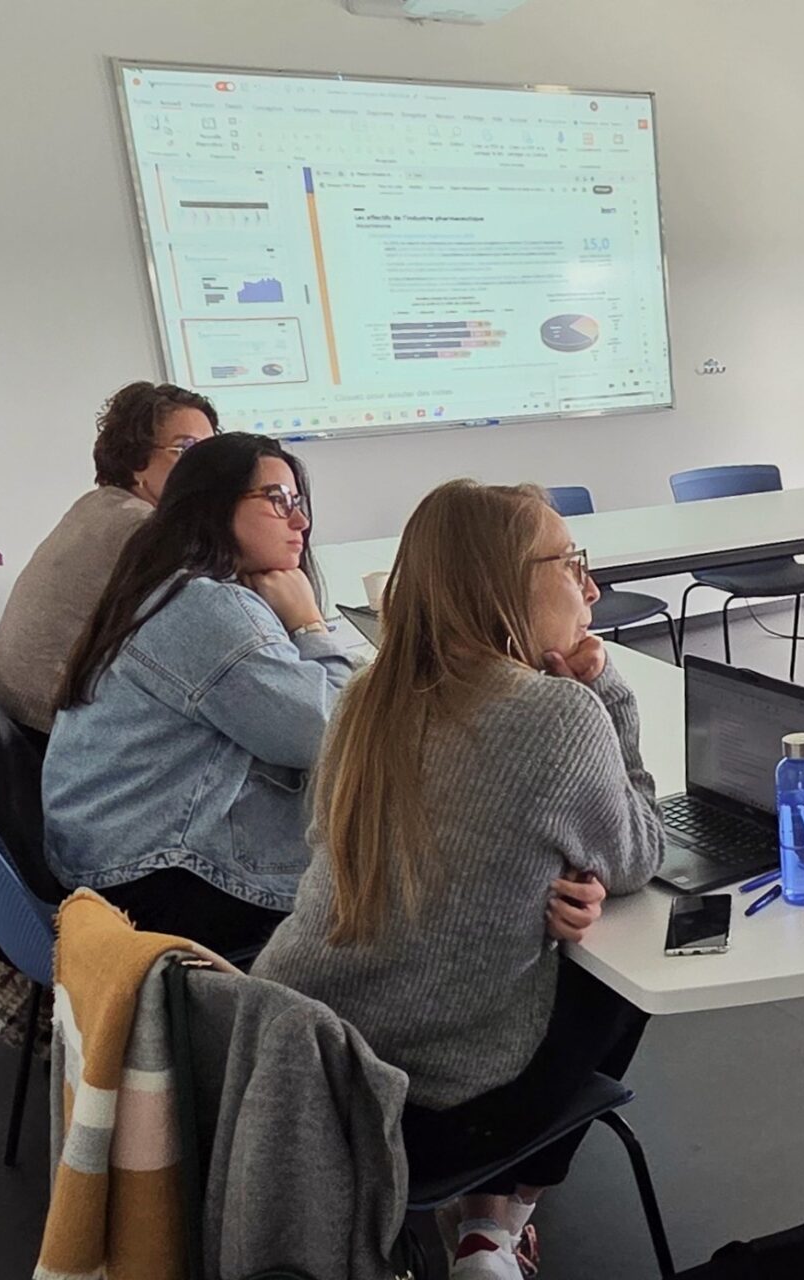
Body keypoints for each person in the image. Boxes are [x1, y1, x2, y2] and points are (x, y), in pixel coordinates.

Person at [253, 480, 661, 1280]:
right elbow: (641, 850)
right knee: (625, 969)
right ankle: (495, 1225)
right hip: (434, 1115)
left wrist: (536, 872)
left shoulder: (366, 697)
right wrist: (604, 688)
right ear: (504, 581)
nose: (591, 588)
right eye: (571, 562)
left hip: (306, 1062)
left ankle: (487, 1232)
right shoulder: (559, 714)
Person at [41, 432, 350, 955]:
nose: (300, 521)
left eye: (298, 501)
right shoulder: (206, 607)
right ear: (215, 505)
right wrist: (310, 625)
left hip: (110, 852)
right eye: (277, 500)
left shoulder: (168, 581)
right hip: (155, 877)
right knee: (398, 874)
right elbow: (333, 732)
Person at [0, 382, 219, 734]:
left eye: (210, 451)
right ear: (136, 461)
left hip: (8, 722)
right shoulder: (139, 526)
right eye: (185, 450)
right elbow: (221, 620)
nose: (206, 468)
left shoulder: (98, 505)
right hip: (46, 735)